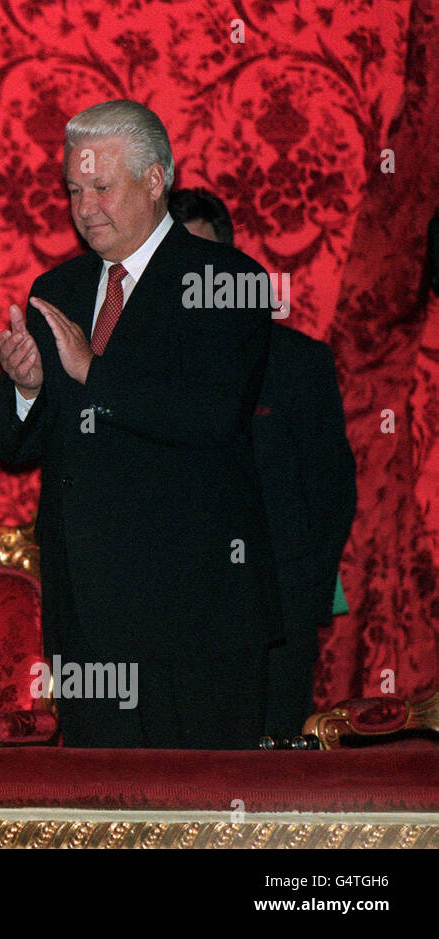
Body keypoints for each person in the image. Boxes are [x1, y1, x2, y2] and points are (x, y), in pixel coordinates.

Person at [0, 100, 283, 749]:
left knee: (200, 827)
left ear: (155, 180)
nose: (85, 206)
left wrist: (92, 369)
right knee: (102, 823)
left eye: (101, 186)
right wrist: (27, 387)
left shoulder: (228, 281)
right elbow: (10, 441)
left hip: (197, 624)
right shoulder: (57, 287)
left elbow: (211, 415)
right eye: (73, 189)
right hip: (86, 625)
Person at [169, 188, 357, 736]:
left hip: (278, 620)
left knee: (272, 776)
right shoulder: (138, 367)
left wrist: (300, 604)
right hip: (177, 624)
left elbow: (331, 489)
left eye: (202, 260)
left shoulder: (297, 363)